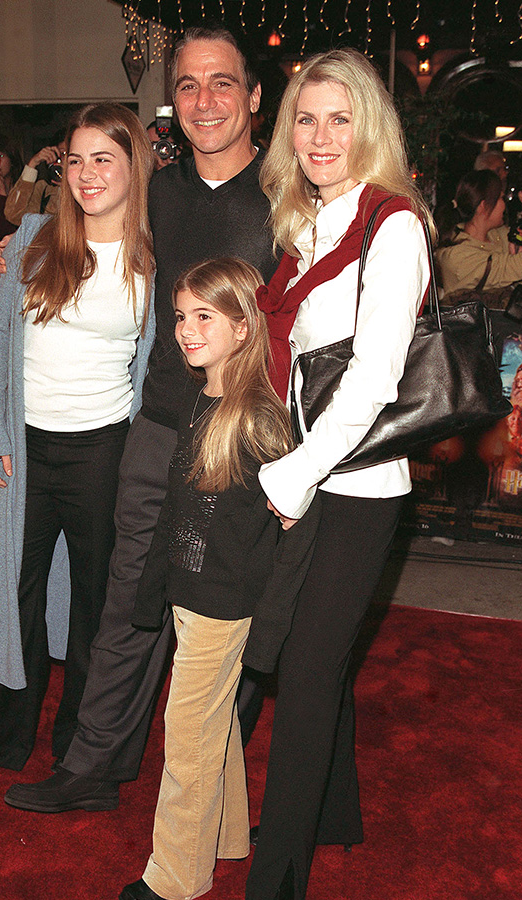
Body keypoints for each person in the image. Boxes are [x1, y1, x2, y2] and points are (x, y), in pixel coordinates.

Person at [1, 25, 277, 814]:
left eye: (222, 82)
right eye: (187, 85)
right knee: (128, 602)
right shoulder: (159, 192)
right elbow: (84, 229)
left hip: (241, 441)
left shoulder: (289, 199)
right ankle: (94, 769)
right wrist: (13, 246)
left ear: (254, 98)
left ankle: (219, 780)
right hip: (156, 428)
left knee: (231, 616)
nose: (204, 100)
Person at [241, 48, 433, 900]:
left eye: (339, 118)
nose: (320, 137)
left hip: (355, 485)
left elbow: (374, 378)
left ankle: (276, 875)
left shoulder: (390, 224)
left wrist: (295, 474)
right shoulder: (308, 219)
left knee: (309, 667)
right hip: (309, 470)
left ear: (370, 126)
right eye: (306, 119)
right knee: (317, 655)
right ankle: (332, 814)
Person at [0, 102, 156, 777]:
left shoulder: (152, 256)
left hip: (105, 452)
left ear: (132, 164)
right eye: (75, 159)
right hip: (23, 450)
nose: (86, 173)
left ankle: (78, 748)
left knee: (93, 605)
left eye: (102, 158)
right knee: (11, 593)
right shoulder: (31, 238)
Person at [120, 257, 292, 900]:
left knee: (187, 736)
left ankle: (176, 879)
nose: (187, 330)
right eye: (181, 317)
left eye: (205, 317)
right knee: (210, 722)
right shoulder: (206, 396)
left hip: (224, 603)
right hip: (194, 593)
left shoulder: (257, 417)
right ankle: (225, 839)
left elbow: (284, 526)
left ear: (245, 326)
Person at [436, 169, 522, 302]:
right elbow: (513, 267)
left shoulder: (496, 234)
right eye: (500, 198)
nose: (504, 203)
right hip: (472, 322)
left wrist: (517, 239)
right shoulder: (457, 255)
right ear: (483, 205)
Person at [4, 129, 66, 224]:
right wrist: (33, 164)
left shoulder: (86, 189)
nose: (64, 160)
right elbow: (13, 215)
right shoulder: (43, 189)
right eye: (62, 154)